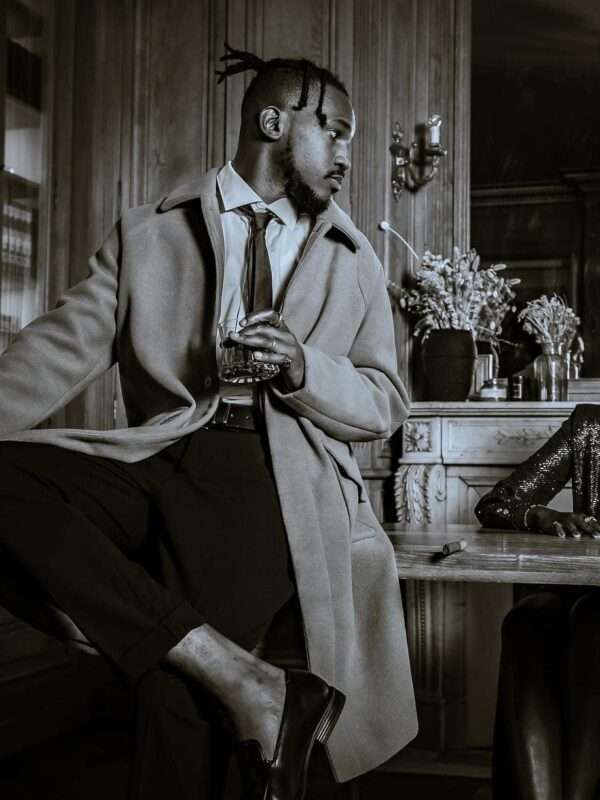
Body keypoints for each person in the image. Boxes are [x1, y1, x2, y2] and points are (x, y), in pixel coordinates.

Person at [0, 45, 417, 799]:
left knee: (172, 693)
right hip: (157, 451)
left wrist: (303, 368)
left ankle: (232, 681)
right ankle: (244, 677)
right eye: (333, 131)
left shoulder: (352, 257)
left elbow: (384, 402)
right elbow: (53, 352)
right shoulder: (147, 234)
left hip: (273, 470)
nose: (346, 154)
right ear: (273, 122)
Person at [475, 402, 600, 800]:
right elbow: (496, 503)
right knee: (528, 619)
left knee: (593, 621)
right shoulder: (590, 426)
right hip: (585, 585)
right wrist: (543, 516)